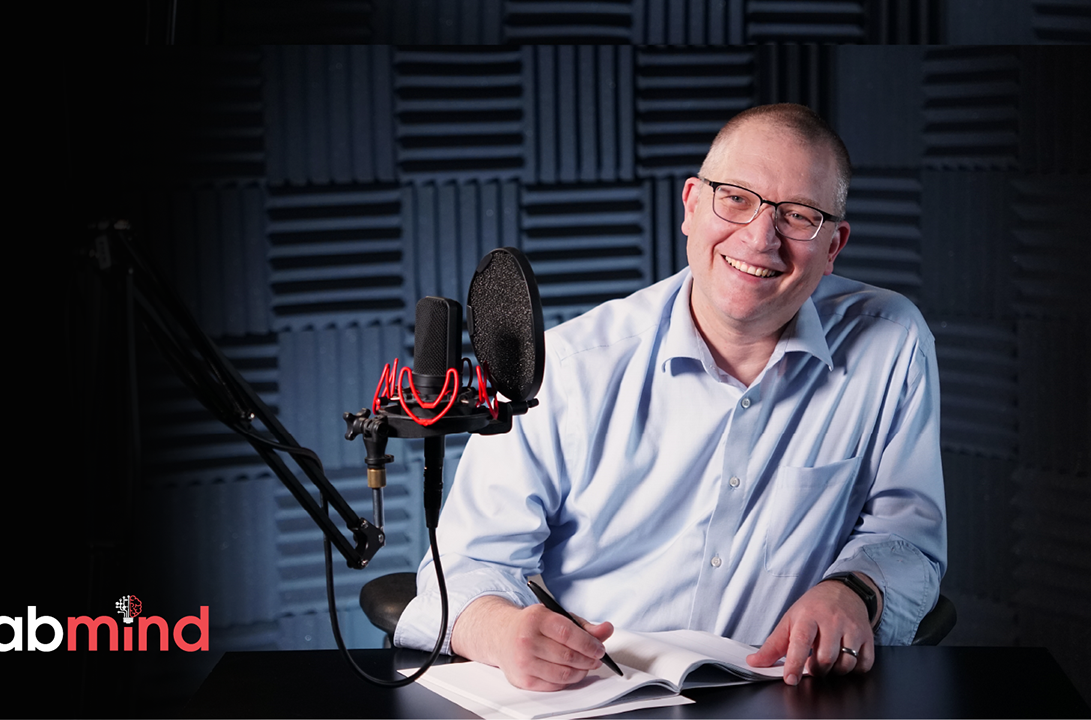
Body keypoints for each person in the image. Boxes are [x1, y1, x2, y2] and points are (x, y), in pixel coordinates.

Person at [395, 103, 946, 691]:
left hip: (784, 694)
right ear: (691, 205)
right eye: (736, 198)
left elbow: (908, 539)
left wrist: (855, 589)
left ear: (833, 245)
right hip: (595, 697)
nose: (760, 238)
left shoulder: (891, 343)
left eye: (797, 216)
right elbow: (464, 568)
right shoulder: (567, 370)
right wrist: (504, 632)